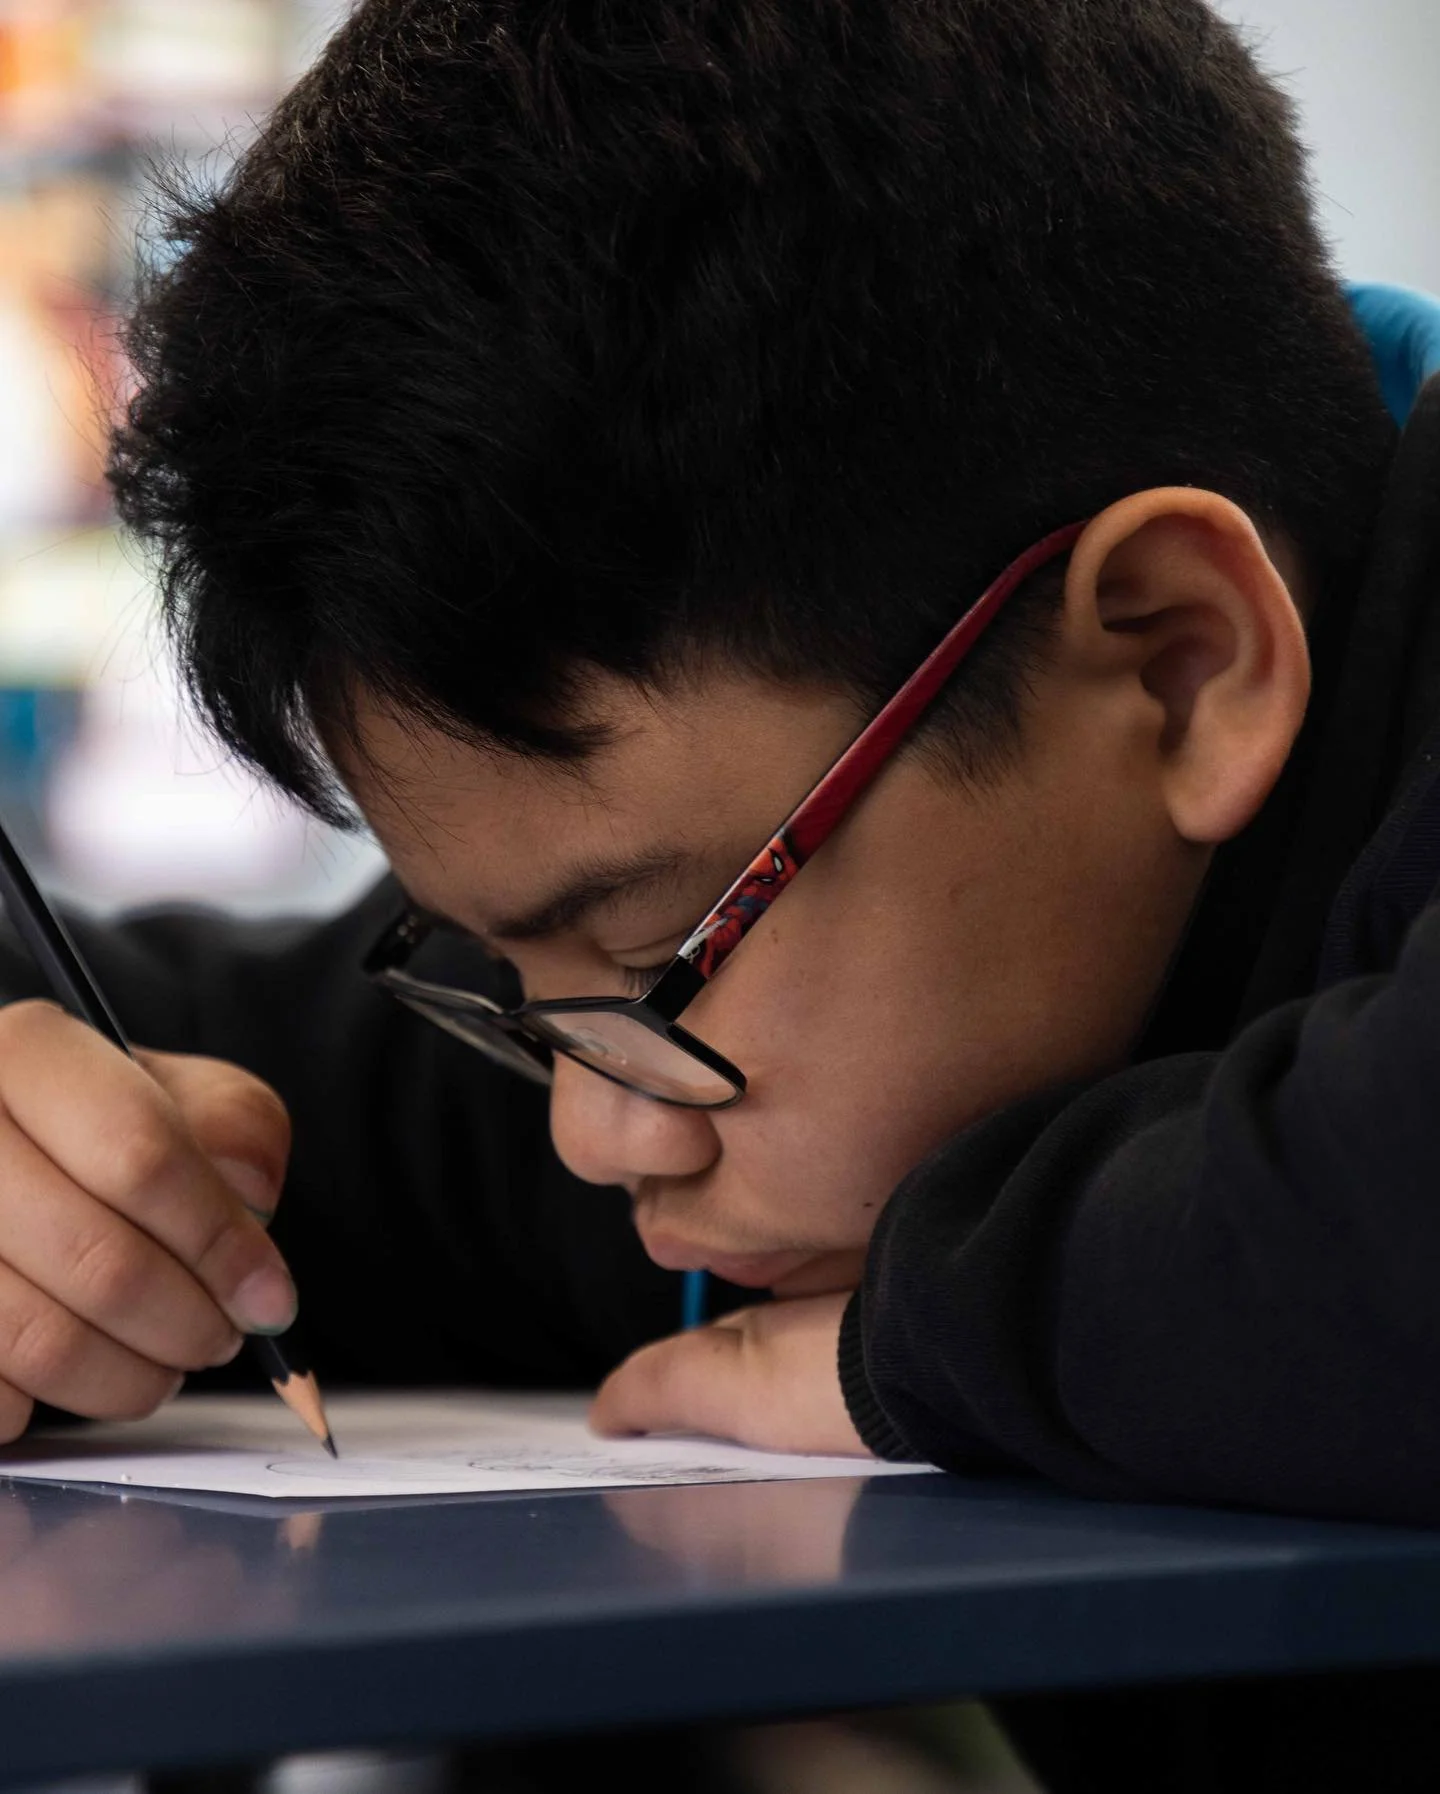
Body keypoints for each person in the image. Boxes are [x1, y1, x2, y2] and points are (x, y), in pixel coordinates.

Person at [1, 0, 1439, 1785]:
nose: (600, 1144)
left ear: (1175, 665)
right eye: (512, 979)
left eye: (654, 948)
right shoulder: (717, 1060)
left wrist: (921, 1341)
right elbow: (166, 1054)